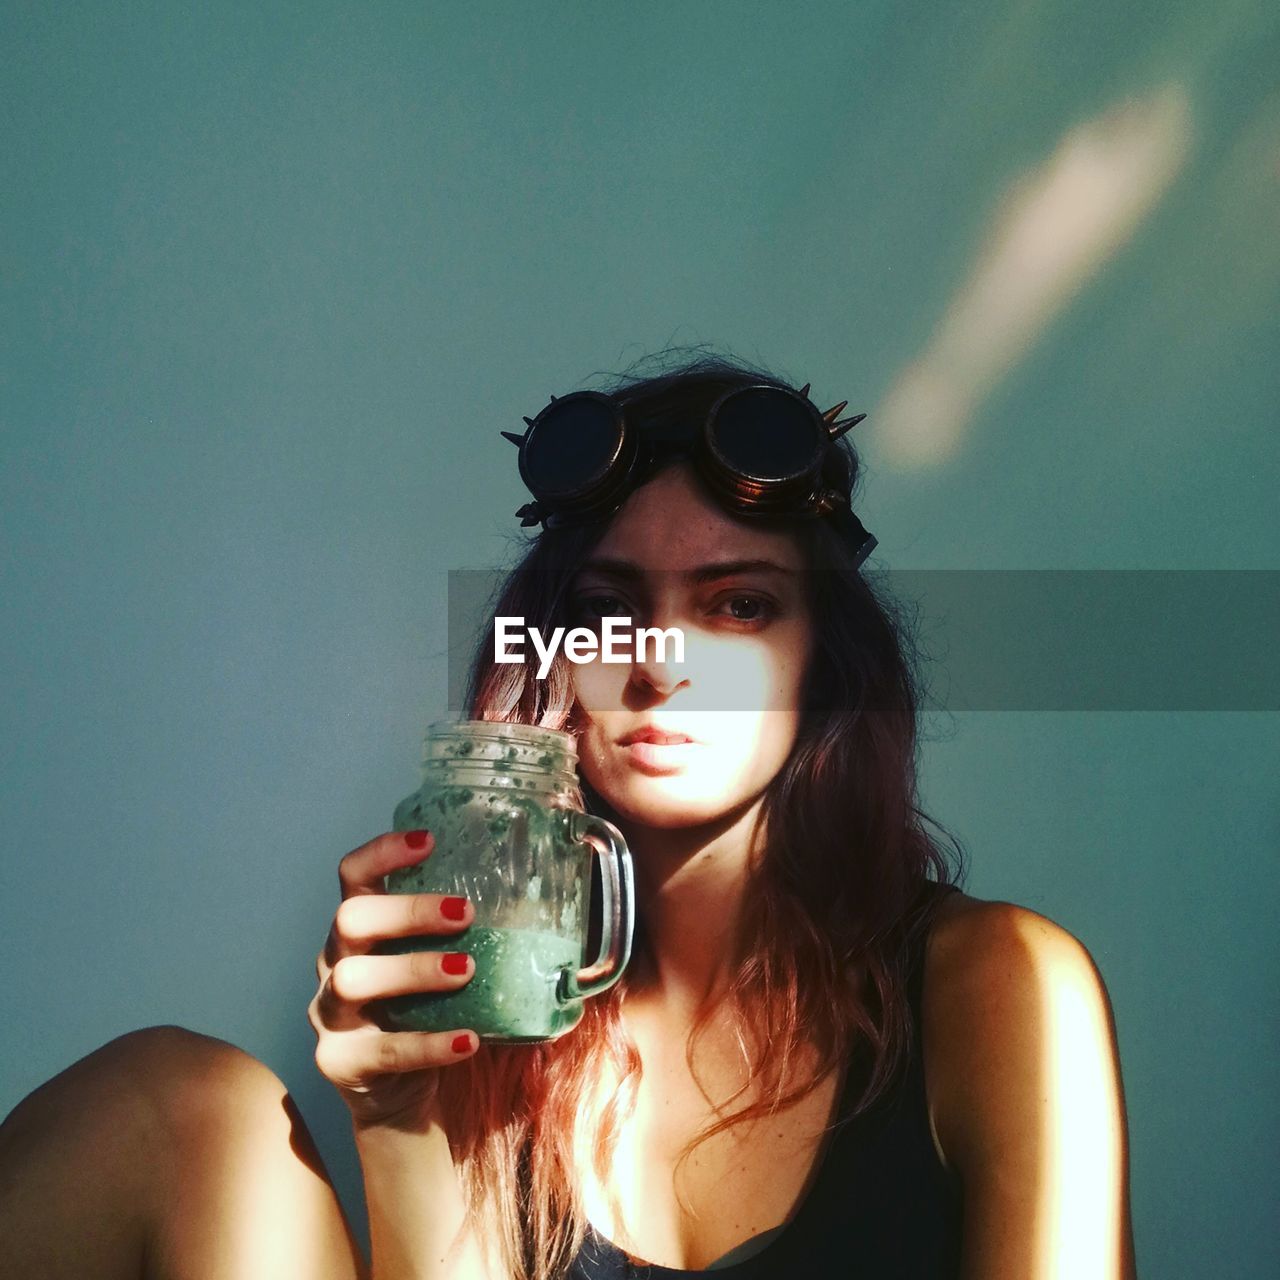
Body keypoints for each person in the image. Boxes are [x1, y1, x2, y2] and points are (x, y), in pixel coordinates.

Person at [0, 350, 1137, 1280]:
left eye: (739, 605)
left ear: (822, 658)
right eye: (608, 611)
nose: (659, 666)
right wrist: (398, 1112)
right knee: (183, 1101)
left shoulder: (995, 983)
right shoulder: (499, 990)